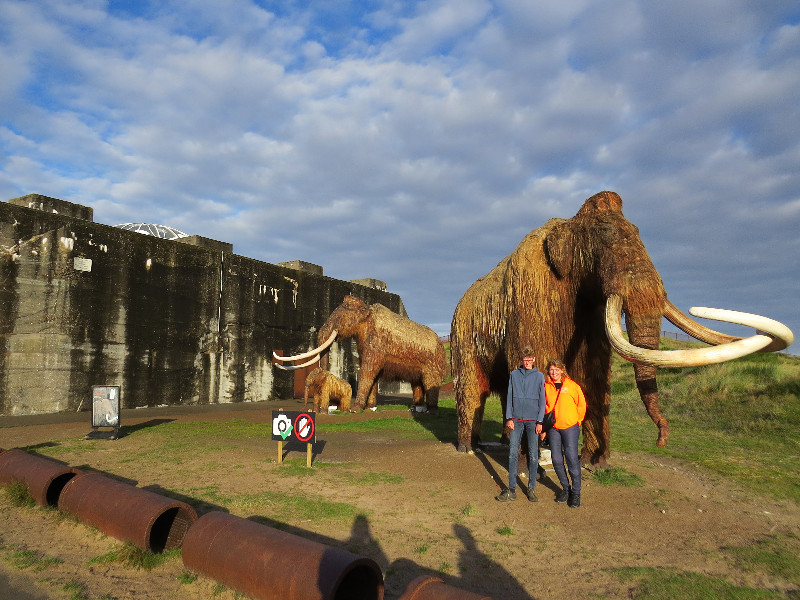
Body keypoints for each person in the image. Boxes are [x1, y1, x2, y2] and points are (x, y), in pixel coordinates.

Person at [496, 346, 546, 503]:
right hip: (516, 420)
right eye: (525, 360)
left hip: (533, 422)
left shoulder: (539, 377)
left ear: (534, 359)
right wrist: (509, 417)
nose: (528, 362)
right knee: (512, 454)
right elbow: (510, 396)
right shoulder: (514, 375)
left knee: (532, 454)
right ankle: (511, 489)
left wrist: (540, 421)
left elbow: (543, 400)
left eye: (530, 359)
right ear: (522, 360)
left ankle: (531, 488)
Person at [544, 359, 587, 508]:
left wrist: (577, 421)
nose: (554, 372)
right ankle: (565, 489)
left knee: (571, 458)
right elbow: (545, 406)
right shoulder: (546, 387)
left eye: (556, 369)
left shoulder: (572, 386)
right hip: (554, 428)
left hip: (570, 428)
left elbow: (581, 405)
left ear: (562, 370)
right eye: (551, 370)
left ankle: (576, 493)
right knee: (556, 459)